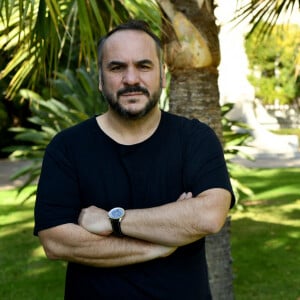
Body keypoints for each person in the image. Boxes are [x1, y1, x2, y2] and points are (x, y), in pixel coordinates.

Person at [34, 19, 235, 299]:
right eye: (117, 67)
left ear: (162, 76)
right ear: (101, 80)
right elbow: (57, 242)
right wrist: (159, 246)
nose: (131, 79)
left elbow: (208, 216)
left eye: (144, 66)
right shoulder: (67, 147)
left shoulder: (195, 139)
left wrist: (112, 221)